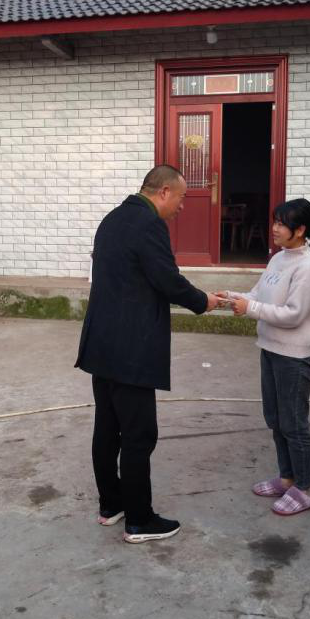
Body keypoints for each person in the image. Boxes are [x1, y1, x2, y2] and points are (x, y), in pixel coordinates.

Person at [76, 164, 219, 543]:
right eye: (181, 198)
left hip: (102, 344)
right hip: (131, 349)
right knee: (139, 434)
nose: (183, 207)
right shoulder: (149, 224)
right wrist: (203, 300)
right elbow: (167, 279)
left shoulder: (112, 219)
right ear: (164, 192)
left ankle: (111, 504)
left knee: (107, 428)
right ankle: (139, 520)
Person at [217, 198, 310, 516]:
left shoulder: (309, 268)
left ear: (301, 230)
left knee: (293, 423)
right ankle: (287, 478)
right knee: (275, 418)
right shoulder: (279, 258)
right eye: (275, 222)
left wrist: (251, 308)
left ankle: (303, 488)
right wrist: (233, 297)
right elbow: (258, 295)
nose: (275, 228)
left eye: (282, 224)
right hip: (270, 349)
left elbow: (293, 314)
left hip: (295, 356)